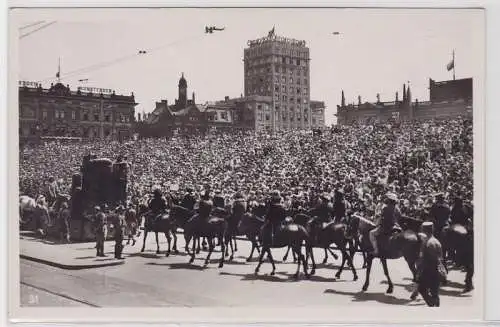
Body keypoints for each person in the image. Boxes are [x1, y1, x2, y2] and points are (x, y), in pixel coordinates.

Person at [415, 221, 445, 307]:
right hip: (437, 269)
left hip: (427, 271)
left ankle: (431, 303)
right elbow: (441, 257)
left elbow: (421, 259)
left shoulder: (425, 243)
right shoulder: (437, 241)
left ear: (424, 231)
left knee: (421, 289)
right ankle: (436, 305)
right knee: (435, 292)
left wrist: (418, 273)